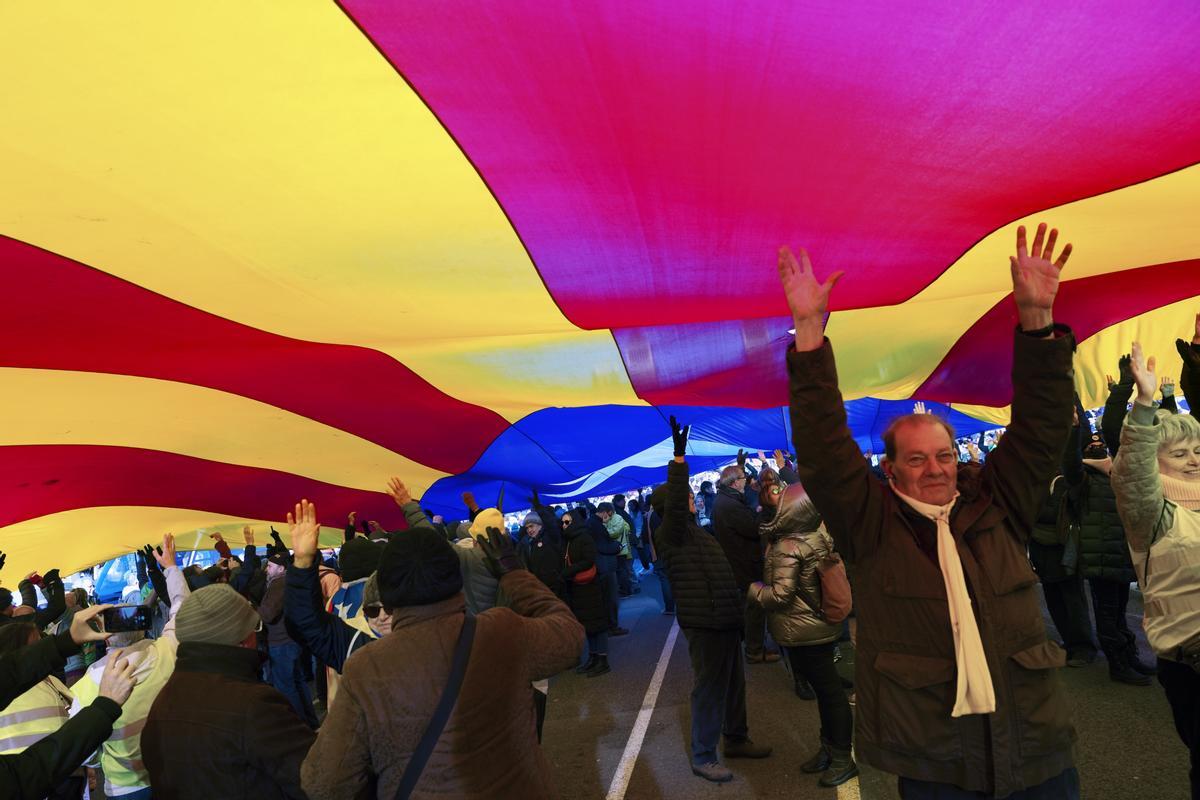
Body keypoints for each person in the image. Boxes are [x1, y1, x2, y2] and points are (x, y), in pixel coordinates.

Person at [779, 224, 1079, 798]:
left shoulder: (998, 504)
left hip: (1034, 743)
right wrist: (811, 333)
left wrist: (1037, 321)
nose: (935, 468)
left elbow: (1041, 428)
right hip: (938, 758)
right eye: (916, 459)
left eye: (943, 455)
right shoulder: (871, 523)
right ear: (890, 470)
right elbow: (823, 450)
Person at [300, 518, 584, 799]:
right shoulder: (502, 632)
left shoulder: (366, 669)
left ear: (385, 593)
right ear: (456, 578)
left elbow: (324, 783)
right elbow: (569, 637)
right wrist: (513, 574)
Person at [652, 416, 772, 783]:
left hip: (722, 619)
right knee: (710, 688)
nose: (693, 500)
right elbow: (674, 504)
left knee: (733, 683)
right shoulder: (670, 532)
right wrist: (678, 461)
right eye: (688, 497)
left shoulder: (693, 531)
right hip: (705, 622)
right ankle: (703, 755)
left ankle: (736, 739)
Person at [1111, 339, 1200, 798]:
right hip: (1191, 662)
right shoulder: (1151, 512)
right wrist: (1143, 403)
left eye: (1197, 449)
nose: (1193, 458)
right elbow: (1131, 474)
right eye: (1180, 452)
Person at [141, 582, 316, 799]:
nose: (256, 636)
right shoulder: (256, 705)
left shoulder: (163, 701)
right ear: (240, 640)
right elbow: (315, 781)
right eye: (254, 627)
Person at [748, 482, 857, 788]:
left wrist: (753, 590)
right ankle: (831, 750)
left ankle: (841, 759)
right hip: (819, 626)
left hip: (804, 630)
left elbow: (780, 596)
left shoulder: (788, 545)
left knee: (830, 693)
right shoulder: (817, 536)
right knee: (829, 692)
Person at [68, 534, 189, 800]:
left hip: (125, 786)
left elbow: (84, 747)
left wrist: (102, 761)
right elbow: (183, 609)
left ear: (103, 633)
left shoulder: (86, 686)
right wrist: (170, 567)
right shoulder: (167, 651)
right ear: (142, 624)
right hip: (176, 770)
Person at [0, 601, 137, 800]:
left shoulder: (50, 682)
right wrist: (104, 707)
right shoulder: (54, 683)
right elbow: (27, 774)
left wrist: (66, 642)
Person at [1064, 394, 1155, 685]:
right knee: (1107, 613)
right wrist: (1072, 429)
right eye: (1090, 442)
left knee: (1119, 611)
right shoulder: (1082, 480)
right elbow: (1070, 462)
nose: (1096, 443)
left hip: (1122, 554)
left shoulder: (1120, 474)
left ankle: (1129, 656)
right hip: (1100, 559)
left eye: (1098, 440)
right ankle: (1118, 664)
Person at [712, 464, 778, 664]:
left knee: (750, 607)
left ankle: (753, 645)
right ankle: (755, 650)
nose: (746, 481)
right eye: (743, 478)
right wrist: (765, 511)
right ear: (734, 483)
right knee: (754, 608)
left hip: (739, 561)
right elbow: (753, 528)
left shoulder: (726, 500)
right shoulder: (730, 505)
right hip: (744, 562)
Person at [561, 511, 611, 676]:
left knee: (597, 623)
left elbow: (588, 560)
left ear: (575, 522)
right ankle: (593, 656)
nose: (564, 525)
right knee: (588, 624)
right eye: (563, 522)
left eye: (567, 522)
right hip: (578, 588)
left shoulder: (584, 537)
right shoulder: (569, 540)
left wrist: (569, 571)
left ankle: (602, 659)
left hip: (590, 587)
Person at [585, 503, 626, 636]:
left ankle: (608, 626)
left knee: (605, 598)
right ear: (605, 512)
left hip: (600, 566)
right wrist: (617, 547)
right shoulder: (596, 525)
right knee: (610, 598)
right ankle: (612, 626)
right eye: (610, 514)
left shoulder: (591, 523)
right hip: (606, 566)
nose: (609, 517)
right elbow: (603, 546)